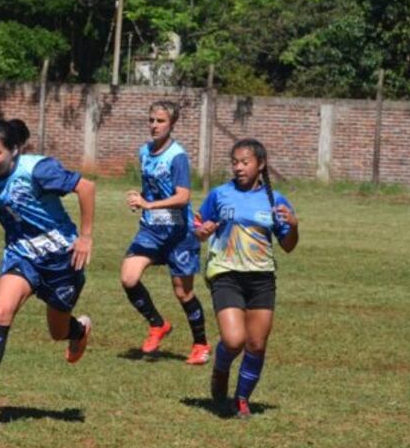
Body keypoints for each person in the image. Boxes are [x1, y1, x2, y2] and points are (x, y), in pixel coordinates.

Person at [0, 119, 96, 416]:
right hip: (21, 256)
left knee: (57, 331)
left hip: (62, 260)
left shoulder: (38, 170)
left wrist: (86, 237)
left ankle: (78, 331)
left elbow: (86, 187)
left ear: (14, 150)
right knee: (0, 313)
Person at [195, 138, 299, 419]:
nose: (238, 167)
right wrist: (202, 231)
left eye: (245, 162)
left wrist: (293, 225)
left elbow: (288, 245)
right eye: (235, 162)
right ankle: (221, 367)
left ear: (260, 165)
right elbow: (198, 225)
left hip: (262, 279)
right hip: (226, 273)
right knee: (233, 340)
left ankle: (241, 399)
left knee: (256, 344)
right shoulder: (219, 194)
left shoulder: (274, 200)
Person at [121, 101, 210, 364]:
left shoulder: (177, 156)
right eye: (151, 120)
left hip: (179, 233)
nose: (154, 125)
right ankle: (157, 324)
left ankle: (201, 344)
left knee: (183, 293)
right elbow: (151, 187)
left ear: (172, 124)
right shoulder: (144, 152)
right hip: (151, 230)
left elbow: (183, 197)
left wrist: (149, 204)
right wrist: (142, 199)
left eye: (160, 121)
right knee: (128, 278)